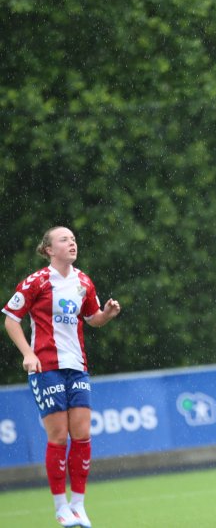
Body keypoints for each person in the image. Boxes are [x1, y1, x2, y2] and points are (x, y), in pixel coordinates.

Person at [3, 226, 121, 528]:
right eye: (64, 239)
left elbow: (91, 319)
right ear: (49, 250)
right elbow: (11, 320)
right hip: (46, 367)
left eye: (73, 239)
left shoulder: (84, 281)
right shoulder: (36, 281)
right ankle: (60, 507)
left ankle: (79, 506)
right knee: (58, 436)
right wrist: (28, 355)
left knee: (81, 434)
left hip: (77, 365)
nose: (72, 243)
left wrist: (105, 315)